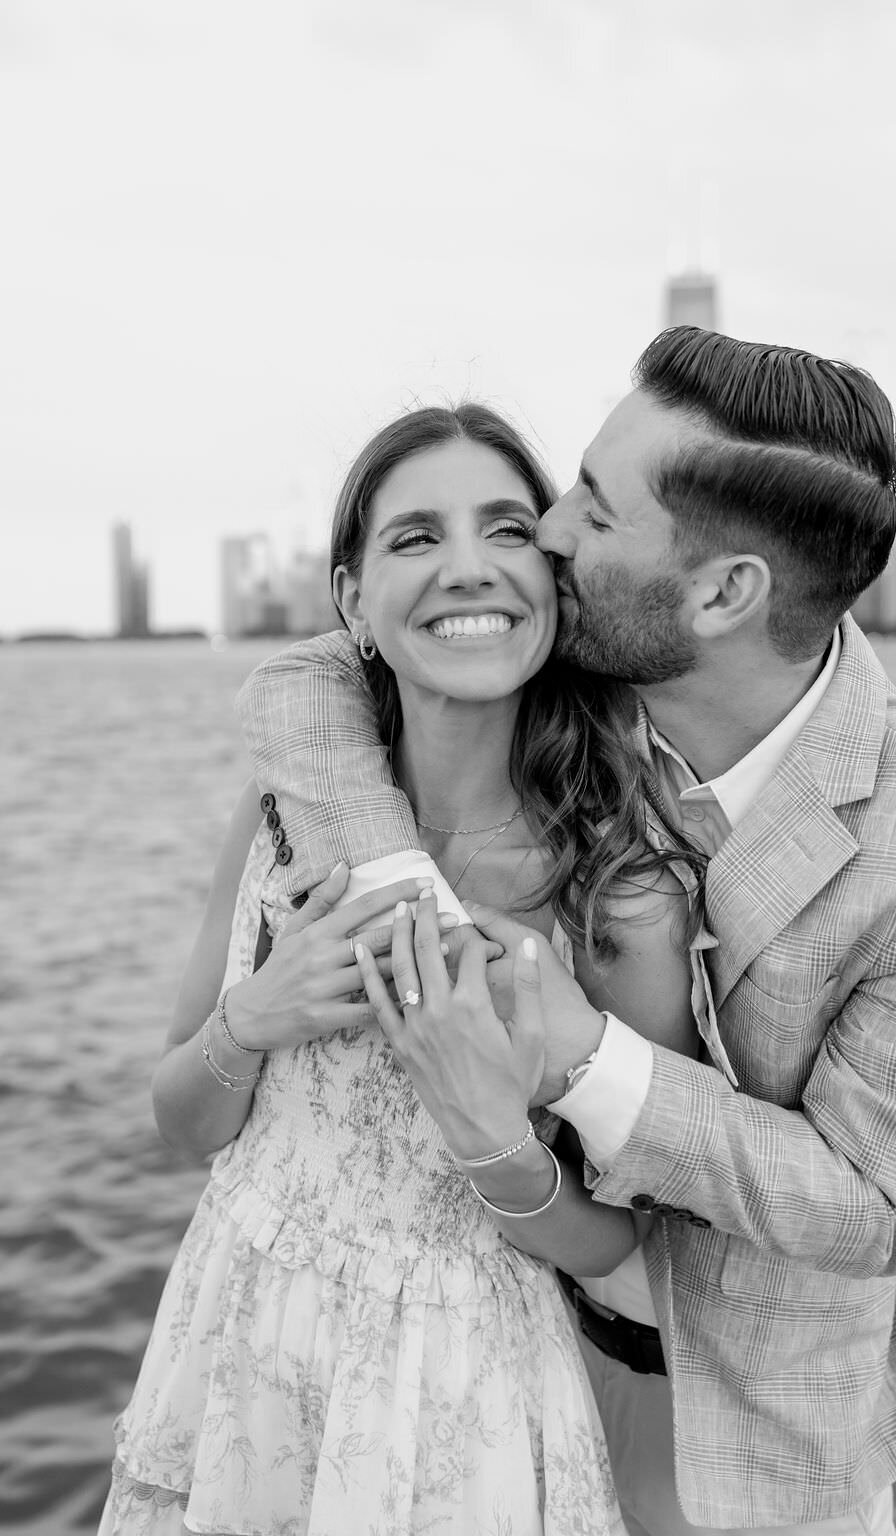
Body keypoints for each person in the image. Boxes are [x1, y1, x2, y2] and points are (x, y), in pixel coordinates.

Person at [237, 327, 896, 1536]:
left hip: (750, 1426)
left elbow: (868, 1210)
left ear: (721, 594)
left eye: (593, 514)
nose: (547, 534)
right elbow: (312, 680)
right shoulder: (576, 665)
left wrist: (581, 1057)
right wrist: (402, 885)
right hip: (496, 1355)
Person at [98, 402, 710, 1536]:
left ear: (554, 580)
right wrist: (254, 1019)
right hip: (237, 1339)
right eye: (416, 538)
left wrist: (495, 1144)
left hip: (460, 1388)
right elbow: (181, 1123)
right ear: (353, 603)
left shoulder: (619, 888)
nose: (466, 568)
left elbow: (634, 1243)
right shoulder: (280, 820)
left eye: (508, 530)